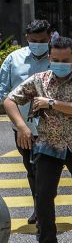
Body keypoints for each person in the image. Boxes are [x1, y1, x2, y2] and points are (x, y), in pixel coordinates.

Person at [4, 37, 72, 243]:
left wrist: (50, 103)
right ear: (49, 58)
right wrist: (21, 127)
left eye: (65, 60)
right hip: (48, 145)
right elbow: (10, 100)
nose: (60, 64)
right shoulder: (39, 80)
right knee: (44, 195)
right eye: (55, 59)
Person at [0, 19, 53, 226]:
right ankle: (40, 208)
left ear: (50, 37)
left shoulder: (56, 58)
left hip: (53, 128)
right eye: (33, 40)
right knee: (32, 169)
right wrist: (20, 125)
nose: (38, 44)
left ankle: (45, 207)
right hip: (23, 128)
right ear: (27, 39)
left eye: (42, 40)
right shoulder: (14, 59)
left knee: (51, 171)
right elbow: (4, 93)